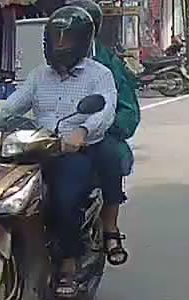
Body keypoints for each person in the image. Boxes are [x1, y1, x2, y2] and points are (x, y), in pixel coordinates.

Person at [0, 6, 117, 298]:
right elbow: (10, 107)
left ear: (82, 41)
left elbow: (105, 111)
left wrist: (83, 131)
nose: (60, 45)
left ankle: (68, 265)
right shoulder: (38, 76)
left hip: (73, 153)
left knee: (64, 201)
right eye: (55, 38)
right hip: (35, 149)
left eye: (66, 39)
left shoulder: (99, 76)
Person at [67, 0, 138, 265]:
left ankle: (110, 229)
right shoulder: (52, 58)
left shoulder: (108, 65)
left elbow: (128, 110)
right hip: (58, 132)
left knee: (110, 156)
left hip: (100, 133)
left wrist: (102, 127)